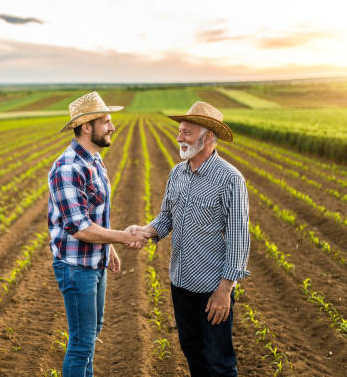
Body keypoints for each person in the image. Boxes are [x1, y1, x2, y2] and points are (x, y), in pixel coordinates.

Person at [128, 101, 250, 377]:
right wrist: (145, 231)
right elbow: (166, 218)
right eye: (179, 131)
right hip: (180, 283)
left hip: (211, 289)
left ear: (208, 138)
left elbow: (239, 238)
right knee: (192, 350)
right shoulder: (177, 174)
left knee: (219, 361)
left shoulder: (230, 179)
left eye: (186, 132)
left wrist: (224, 290)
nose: (179, 137)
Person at [48, 91, 147, 377]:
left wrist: (109, 248)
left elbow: (92, 214)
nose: (112, 127)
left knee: (91, 335)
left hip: (95, 262)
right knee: (81, 343)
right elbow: (79, 227)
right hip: (76, 267)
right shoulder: (67, 168)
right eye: (106, 121)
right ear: (87, 127)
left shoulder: (94, 160)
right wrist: (123, 236)